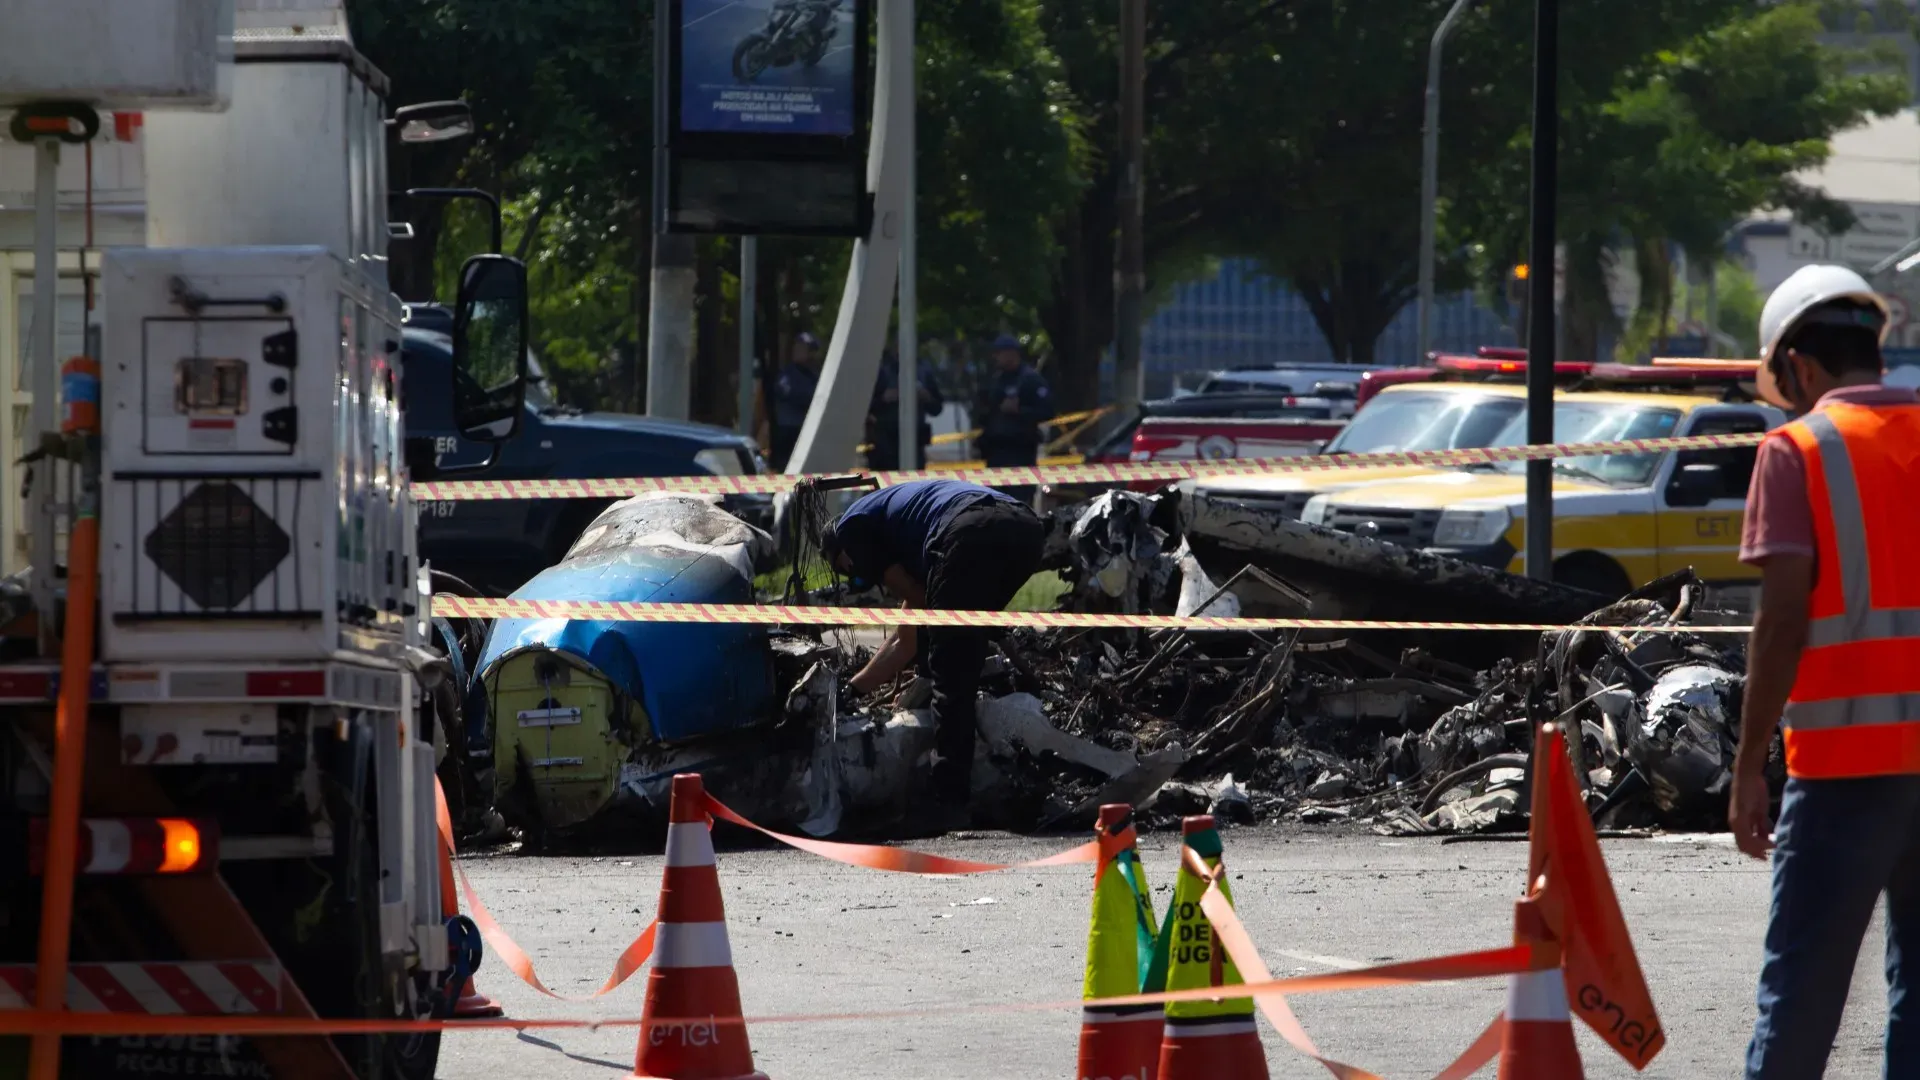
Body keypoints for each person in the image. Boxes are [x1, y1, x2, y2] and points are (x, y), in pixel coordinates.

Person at [1731, 263, 1920, 1079]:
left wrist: (1746, 769)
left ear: (1800, 368)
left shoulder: (1796, 449)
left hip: (1845, 771)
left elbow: (1779, 625)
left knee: (1800, 1004)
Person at [821, 479, 1045, 826]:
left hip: (968, 532)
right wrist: (853, 690)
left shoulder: (851, 529)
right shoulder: (904, 520)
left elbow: (923, 604)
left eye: (850, 572)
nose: (859, 579)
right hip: (1023, 527)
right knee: (960, 645)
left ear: (841, 552)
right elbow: (905, 641)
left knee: (951, 670)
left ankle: (948, 799)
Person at [974, 333, 1054, 503]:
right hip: (995, 453)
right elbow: (985, 414)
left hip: (1020, 453)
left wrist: (1020, 411)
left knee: (1019, 503)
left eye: (999, 353)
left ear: (1012, 353)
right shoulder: (996, 381)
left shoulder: (1030, 380)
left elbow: (1047, 411)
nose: (996, 358)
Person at [866, 348, 945, 471]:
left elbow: (937, 408)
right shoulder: (882, 370)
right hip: (885, 443)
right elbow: (865, 407)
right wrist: (884, 398)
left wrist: (925, 396)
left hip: (915, 441)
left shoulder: (923, 370)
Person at [770, 331, 822, 470]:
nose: (798, 351)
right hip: (789, 431)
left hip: (808, 432)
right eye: (797, 347)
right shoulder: (786, 374)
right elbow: (791, 394)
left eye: (803, 349)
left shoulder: (815, 375)